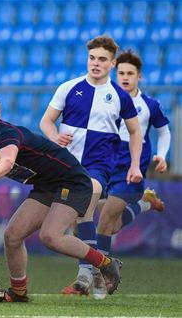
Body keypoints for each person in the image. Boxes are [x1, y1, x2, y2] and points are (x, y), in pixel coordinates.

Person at [0, 95, 122, 302]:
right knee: (12, 235)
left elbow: (7, 162)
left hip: (72, 181)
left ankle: (106, 263)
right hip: (47, 184)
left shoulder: (6, 132)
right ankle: (19, 292)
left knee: (50, 236)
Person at [39, 36, 143, 296]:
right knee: (79, 219)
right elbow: (46, 122)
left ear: (112, 63)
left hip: (98, 167)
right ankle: (97, 269)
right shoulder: (69, 87)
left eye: (102, 59)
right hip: (66, 165)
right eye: (92, 58)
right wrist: (54, 136)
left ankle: (86, 275)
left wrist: (135, 165)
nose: (96, 63)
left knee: (83, 208)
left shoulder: (120, 96)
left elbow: (135, 132)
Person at [94, 50, 171, 294]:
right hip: (105, 164)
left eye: (130, 74)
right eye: (121, 73)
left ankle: (102, 277)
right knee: (111, 225)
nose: (125, 78)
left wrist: (162, 154)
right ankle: (145, 204)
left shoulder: (149, 105)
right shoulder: (107, 99)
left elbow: (164, 131)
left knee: (104, 223)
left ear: (139, 76)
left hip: (131, 169)